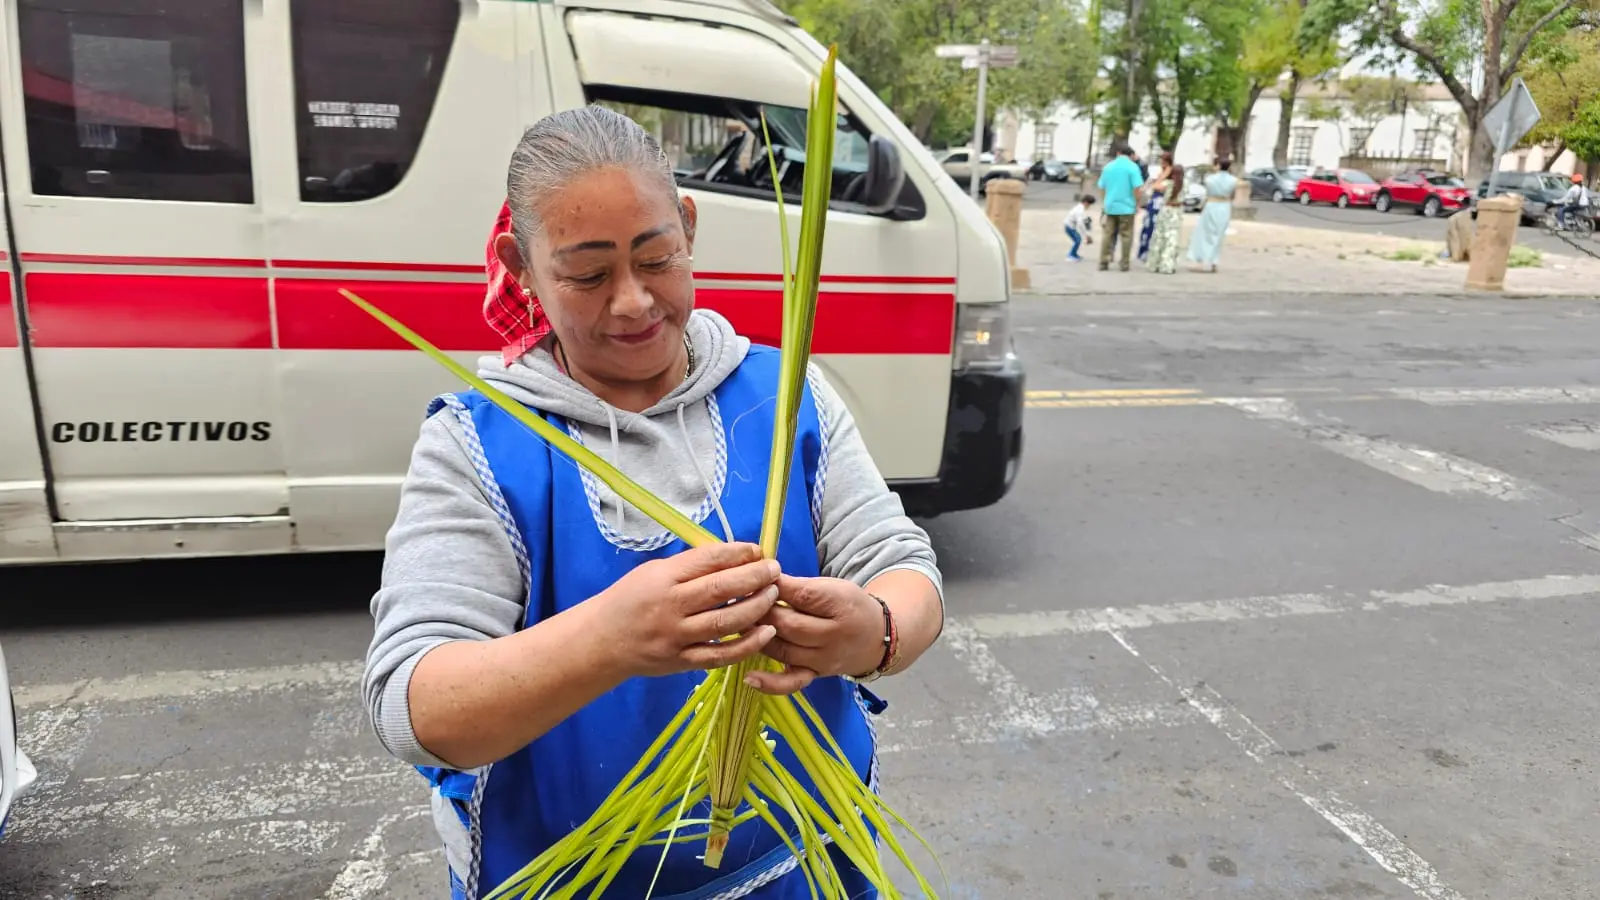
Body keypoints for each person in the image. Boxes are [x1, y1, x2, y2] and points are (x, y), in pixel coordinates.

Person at [362, 105, 946, 900]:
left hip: (806, 865)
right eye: (588, 273)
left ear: (690, 228)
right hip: (571, 880)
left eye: (658, 258)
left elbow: (901, 570)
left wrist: (871, 632)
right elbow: (414, 704)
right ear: (520, 265)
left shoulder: (784, 395)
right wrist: (610, 638)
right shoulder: (481, 443)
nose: (634, 302)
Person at [1185, 157, 1238, 273]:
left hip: (1212, 205)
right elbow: (1233, 195)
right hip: (1224, 206)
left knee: (1205, 233)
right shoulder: (1233, 180)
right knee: (1218, 235)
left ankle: (1201, 257)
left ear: (1218, 166)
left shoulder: (1210, 179)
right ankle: (1214, 261)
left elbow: (1208, 192)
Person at [1096, 144, 1143, 271]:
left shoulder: (1108, 167)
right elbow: (1137, 188)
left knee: (1108, 234)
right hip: (1127, 207)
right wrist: (1137, 203)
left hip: (1110, 206)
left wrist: (1105, 202)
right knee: (1126, 235)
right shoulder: (1133, 168)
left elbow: (1101, 187)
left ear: (1118, 153)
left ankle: (1103, 261)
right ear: (1129, 155)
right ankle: (1124, 263)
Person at [1145, 164, 1185, 275]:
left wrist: (1164, 175)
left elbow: (1154, 186)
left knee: (1160, 237)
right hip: (1176, 212)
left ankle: (1155, 264)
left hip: (1166, 210)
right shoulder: (1185, 184)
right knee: (1172, 239)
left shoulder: (1167, 184)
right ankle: (1168, 265)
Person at [1138, 151, 1174, 261]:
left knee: (1154, 226)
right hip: (1153, 200)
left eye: (1162, 160)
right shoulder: (1161, 171)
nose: (1161, 162)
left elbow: (1160, 187)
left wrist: (1155, 185)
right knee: (1148, 225)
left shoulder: (1170, 171)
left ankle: (1151, 251)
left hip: (1160, 201)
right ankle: (1145, 250)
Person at [1064, 194, 1096, 261]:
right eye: (1089, 204)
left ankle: (1074, 254)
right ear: (1086, 202)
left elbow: (1086, 220)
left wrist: (1088, 232)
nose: (1089, 206)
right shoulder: (1080, 210)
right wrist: (1086, 235)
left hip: (1070, 225)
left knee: (1077, 239)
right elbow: (1080, 224)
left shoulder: (1080, 207)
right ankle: (1070, 255)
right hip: (1069, 226)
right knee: (1077, 240)